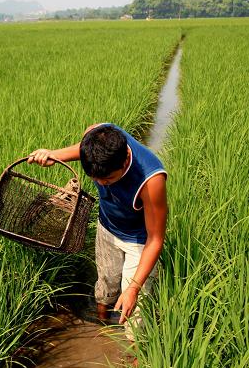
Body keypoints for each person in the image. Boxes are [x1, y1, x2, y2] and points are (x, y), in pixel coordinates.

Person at [28, 123, 167, 340]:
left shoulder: (151, 180)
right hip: (107, 227)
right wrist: (54, 155)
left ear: (125, 161)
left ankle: (136, 353)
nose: (102, 184)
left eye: (108, 179)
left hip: (139, 240)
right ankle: (102, 327)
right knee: (106, 282)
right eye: (95, 178)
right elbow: (83, 147)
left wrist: (133, 288)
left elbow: (156, 239)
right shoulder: (99, 135)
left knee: (137, 305)